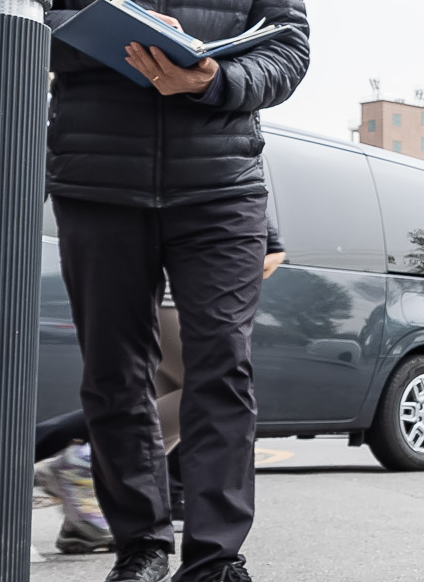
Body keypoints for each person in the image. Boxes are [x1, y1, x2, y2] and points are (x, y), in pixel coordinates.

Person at [17, 0, 311, 582]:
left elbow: (290, 50)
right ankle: (141, 544)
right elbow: (17, 20)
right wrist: (109, 29)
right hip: (99, 179)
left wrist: (212, 80)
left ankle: (214, 568)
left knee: (224, 365)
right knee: (117, 369)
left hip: (220, 181)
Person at [34, 229, 287, 553]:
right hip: (173, 285)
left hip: (149, 278)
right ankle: (86, 467)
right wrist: (270, 238)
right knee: (209, 391)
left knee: (161, 402)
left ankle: (90, 511)